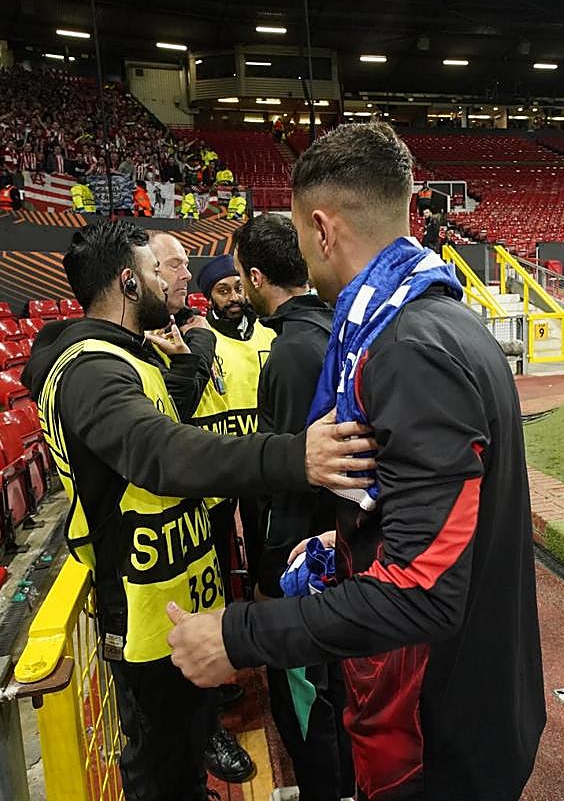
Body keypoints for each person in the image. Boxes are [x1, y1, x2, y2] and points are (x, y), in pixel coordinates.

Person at [166, 122, 547, 801]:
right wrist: (349, 544)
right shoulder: (443, 318)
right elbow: (442, 517)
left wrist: (238, 635)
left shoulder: (406, 348)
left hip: (435, 734)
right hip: (470, 701)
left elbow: (422, 590)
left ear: (320, 228)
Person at [21, 222, 376, 801]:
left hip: (176, 594)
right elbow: (158, 452)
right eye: (155, 272)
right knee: (160, 766)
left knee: (184, 750)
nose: (169, 282)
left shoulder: (127, 357)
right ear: (128, 283)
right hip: (142, 611)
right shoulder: (89, 368)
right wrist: (294, 456)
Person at [232, 214, 355, 801]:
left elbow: (295, 481)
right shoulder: (334, 327)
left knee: (308, 701)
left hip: (306, 565)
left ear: (257, 277)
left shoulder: (291, 352)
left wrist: (269, 576)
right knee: (341, 692)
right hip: (342, 545)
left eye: (240, 277)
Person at [147, 232, 256, 783]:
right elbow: (175, 408)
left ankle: (208, 705)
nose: (185, 275)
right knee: (174, 615)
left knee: (210, 592)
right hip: (159, 513)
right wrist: (196, 352)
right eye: (174, 266)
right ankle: (203, 729)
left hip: (201, 498)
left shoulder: (186, 329)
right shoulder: (141, 344)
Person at [193, 256, 277, 596]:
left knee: (262, 540)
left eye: (238, 288)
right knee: (217, 543)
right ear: (210, 297)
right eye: (223, 291)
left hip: (261, 456)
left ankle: (260, 599)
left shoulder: (269, 332)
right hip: (222, 459)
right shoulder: (202, 340)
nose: (234, 298)